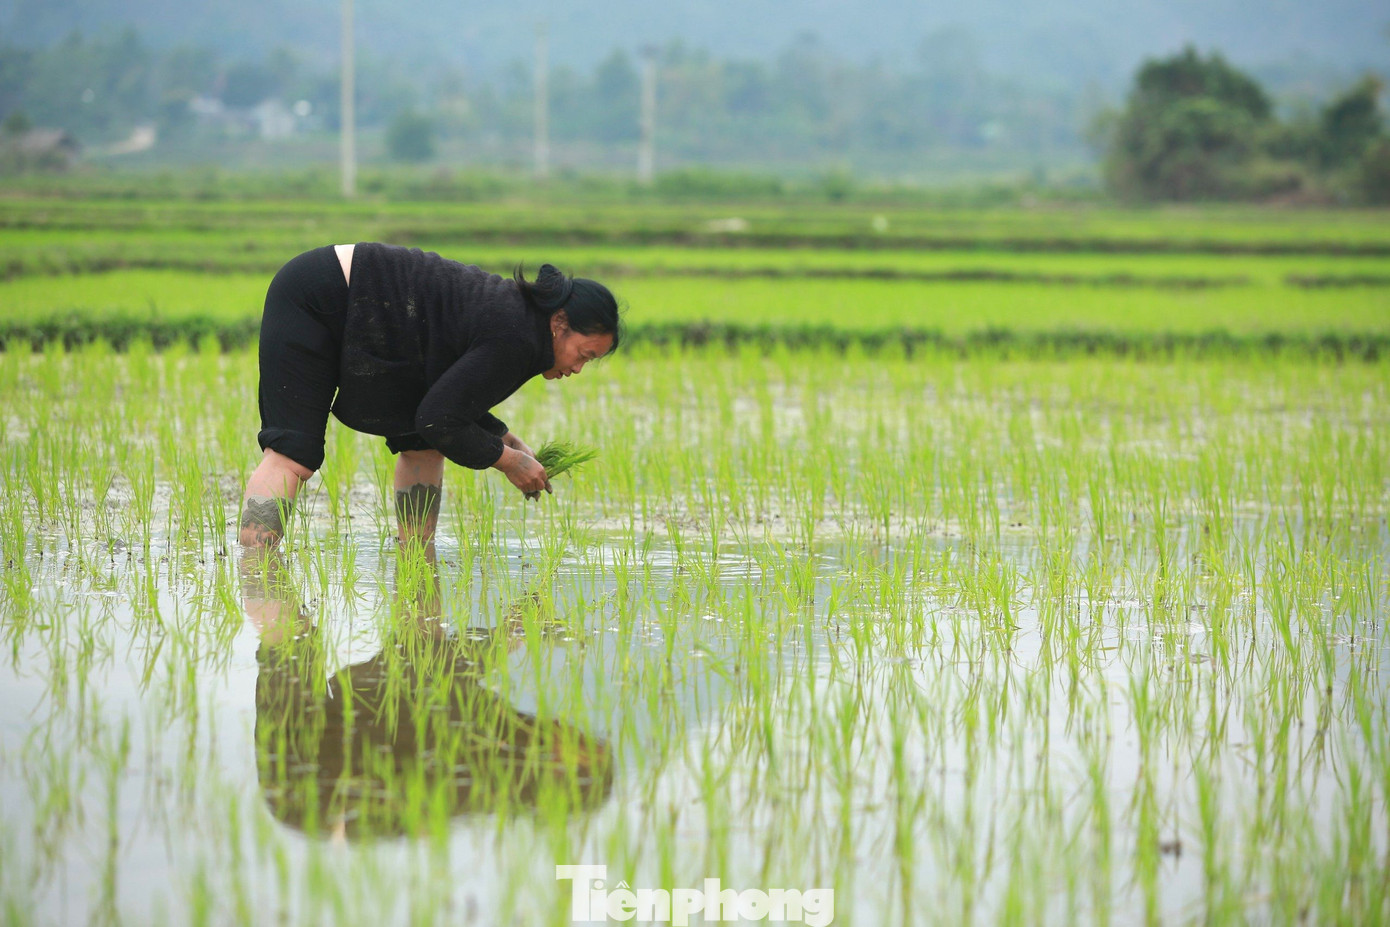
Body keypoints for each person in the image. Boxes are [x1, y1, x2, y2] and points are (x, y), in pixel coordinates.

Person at [238, 243, 621, 548]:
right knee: (293, 454)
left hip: (379, 319)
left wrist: (504, 439)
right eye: (584, 354)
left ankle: (416, 557)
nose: (576, 369)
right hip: (321, 295)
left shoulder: (520, 328)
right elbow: (440, 417)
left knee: (423, 444)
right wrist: (509, 462)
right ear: (559, 324)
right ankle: (255, 572)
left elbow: (447, 401)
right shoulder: (516, 335)